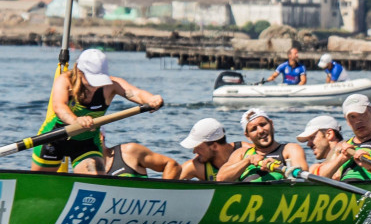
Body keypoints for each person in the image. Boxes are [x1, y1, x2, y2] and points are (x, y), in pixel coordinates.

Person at [31, 49, 164, 174]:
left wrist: (152, 99)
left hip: (86, 142)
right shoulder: (65, 81)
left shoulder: (111, 86)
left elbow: (136, 93)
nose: (95, 86)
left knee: (96, 174)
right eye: (91, 81)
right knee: (39, 183)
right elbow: (59, 107)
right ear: (80, 71)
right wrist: (76, 120)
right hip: (55, 138)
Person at [316, 94, 371, 181]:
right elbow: (320, 178)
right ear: (346, 120)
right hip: (344, 190)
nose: (358, 121)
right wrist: (342, 158)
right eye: (352, 117)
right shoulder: (342, 146)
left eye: (362, 114)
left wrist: (369, 166)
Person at [216, 108, 308, 182]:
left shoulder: (290, 149)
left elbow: (303, 176)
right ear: (248, 136)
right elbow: (221, 179)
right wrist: (247, 161)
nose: (260, 131)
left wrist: (277, 168)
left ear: (271, 124)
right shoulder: (241, 154)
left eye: (263, 124)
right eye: (254, 129)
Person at [178, 118, 243, 181]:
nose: (194, 152)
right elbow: (169, 183)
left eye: (198, 147)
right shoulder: (196, 167)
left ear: (214, 146)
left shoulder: (247, 152)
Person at [102, 133, 179, 179]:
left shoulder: (129, 151)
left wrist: (161, 195)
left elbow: (172, 164)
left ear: (100, 137)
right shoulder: (89, 170)